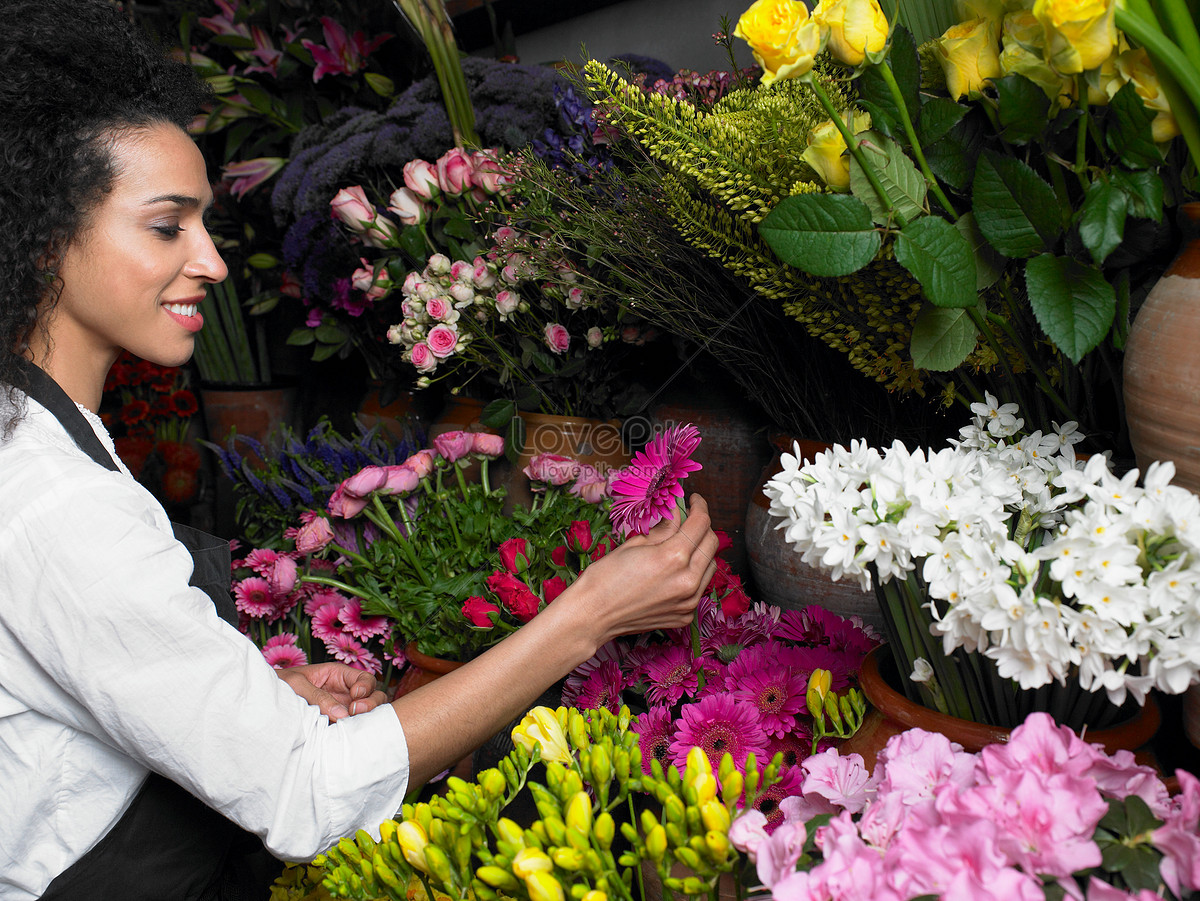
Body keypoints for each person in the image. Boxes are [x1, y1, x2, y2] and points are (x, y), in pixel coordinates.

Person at [0, 2, 720, 898]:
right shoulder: (55, 503)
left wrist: (258, 703)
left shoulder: (34, 441)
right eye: (166, 226)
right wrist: (588, 614)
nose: (214, 263)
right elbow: (305, 796)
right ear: (40, 241)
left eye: (204, 223)